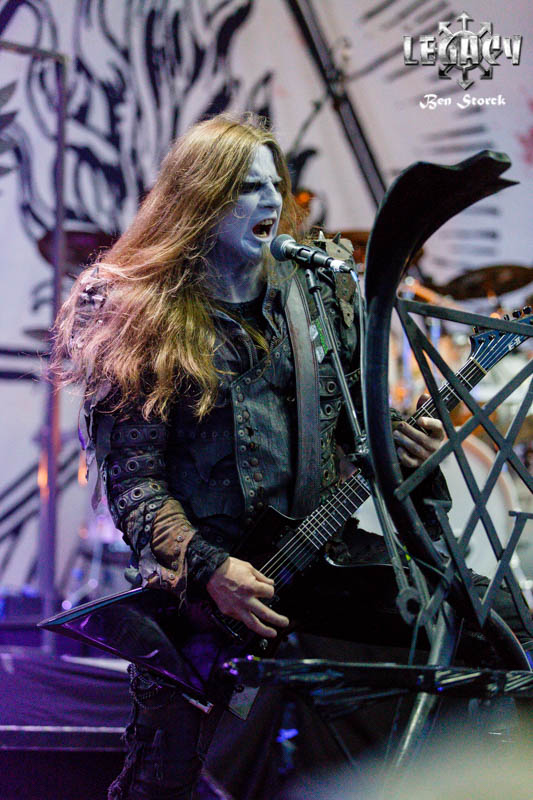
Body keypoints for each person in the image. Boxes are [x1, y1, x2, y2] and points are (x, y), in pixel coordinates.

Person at [53, 113, 529, 800]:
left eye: (274, 184)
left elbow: (354, 428)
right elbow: (135, 484)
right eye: (248, 187)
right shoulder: (138, 307)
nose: (271, 201)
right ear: (201, 197)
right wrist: (210, 568)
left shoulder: (318, 291)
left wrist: (402, 444)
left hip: (321, 552)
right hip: (204, 587)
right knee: (162, 781)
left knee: (499, 624)